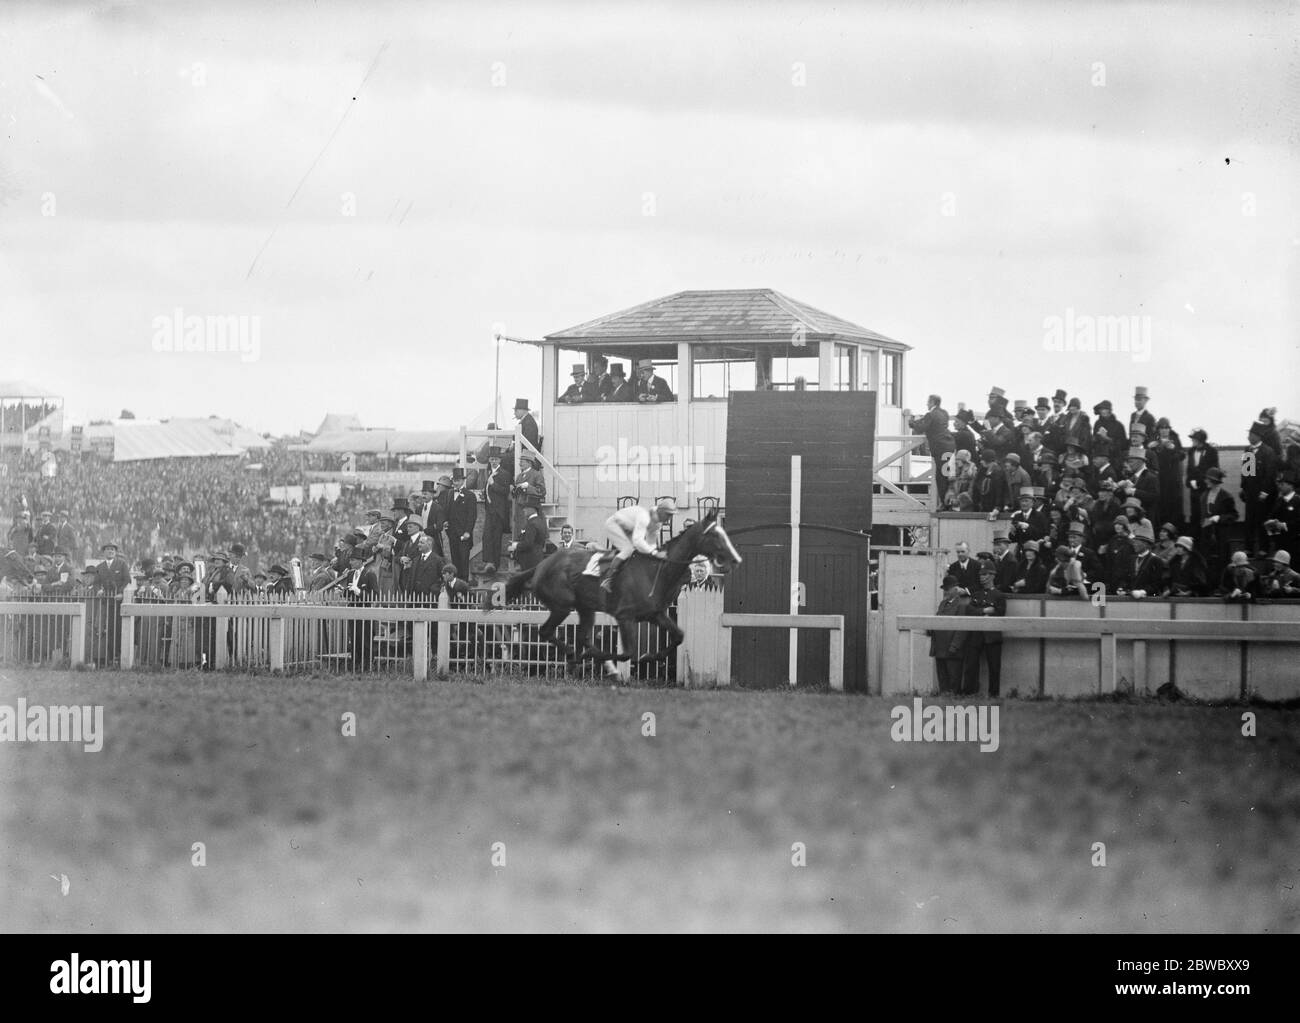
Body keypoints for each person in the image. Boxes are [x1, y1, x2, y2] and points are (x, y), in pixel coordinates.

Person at [598, 498, 676, 593]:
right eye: (668, 514)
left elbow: (651, 544)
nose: (669, 518)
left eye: (671, 515)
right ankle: (607, 579)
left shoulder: (658, 523)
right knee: (628, 549)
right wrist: (655, 553)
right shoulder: (644, 517)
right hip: (614, 525)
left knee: (639, 551)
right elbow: (638, 541)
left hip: (629, 529)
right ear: (660, 511)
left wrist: (654, 553)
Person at [963, 562, 1006, 696]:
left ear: (993, 576)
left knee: (994, 667)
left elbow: (1000, 613)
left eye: (985, 574)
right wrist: (984, 610)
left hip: (992, 636)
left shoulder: (999, 595)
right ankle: (970, 693)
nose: (982, 577)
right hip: (976, 635)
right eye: (981, 574)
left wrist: (979, 611)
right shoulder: (976, 595)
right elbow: (969, 610)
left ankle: (994, 695)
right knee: (971, 665)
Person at [928, 575, 972, 694]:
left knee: (953, 681)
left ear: (956, 589)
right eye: (945, 588)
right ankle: (943, 702)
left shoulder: (962, 604)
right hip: (940, 648)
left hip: (952, 649)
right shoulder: (943, 603)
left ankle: (954, 704)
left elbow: (962, 627)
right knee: (943, 681)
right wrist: (930, 629)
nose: (946, 591)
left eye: (948, 588)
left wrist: (955, 646)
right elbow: (937, 620)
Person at [907, 395, 955, 503]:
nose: (927, 404)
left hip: (939, 448)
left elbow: (921, 428)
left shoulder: (931, 414)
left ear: (932, 402)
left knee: (941, 477)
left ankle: (944, 503)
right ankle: (949, 501)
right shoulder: (944, 413)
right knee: (948, 474)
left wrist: (911, 423)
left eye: (928, 402)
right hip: (949, 445)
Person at [1242, 421, 1280, 556]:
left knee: (1262, 520)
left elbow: (1270, 474)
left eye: (1251, 435)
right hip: (1250, 492)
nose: (1249, 437)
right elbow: (1246, 472)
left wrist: (1265, 491)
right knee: (1249, 521)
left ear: (1258, 436)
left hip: (1263, 494)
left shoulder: (1268, 452)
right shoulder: (1248, 450)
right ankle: (1249, 548)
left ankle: (1264, 548)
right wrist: (1243, 488)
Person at [446, 468, 477, 579]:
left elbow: (472, 516)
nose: (456, 483)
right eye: (454, 480)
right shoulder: (449, 494)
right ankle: (455, 586)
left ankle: (463, 588)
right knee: (455, 561)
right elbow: (448, 512)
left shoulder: (470, 495)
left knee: (464, 562)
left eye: (458, 480)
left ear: (463, 481)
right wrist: (447, 526)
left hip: (464, 535)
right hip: (452, 534)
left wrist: (468, 532)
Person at [1129, 523, 1166, 599]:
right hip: (1131, 598)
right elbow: (1127, 577)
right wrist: (1122, 588)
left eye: (1137, 542)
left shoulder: (1156, 560)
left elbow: (1157, 583)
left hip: (1149, 600)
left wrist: (1143, 592)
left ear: (1145, 544)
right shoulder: (1132, 559)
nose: (1134, 545)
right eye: (1134, 542)